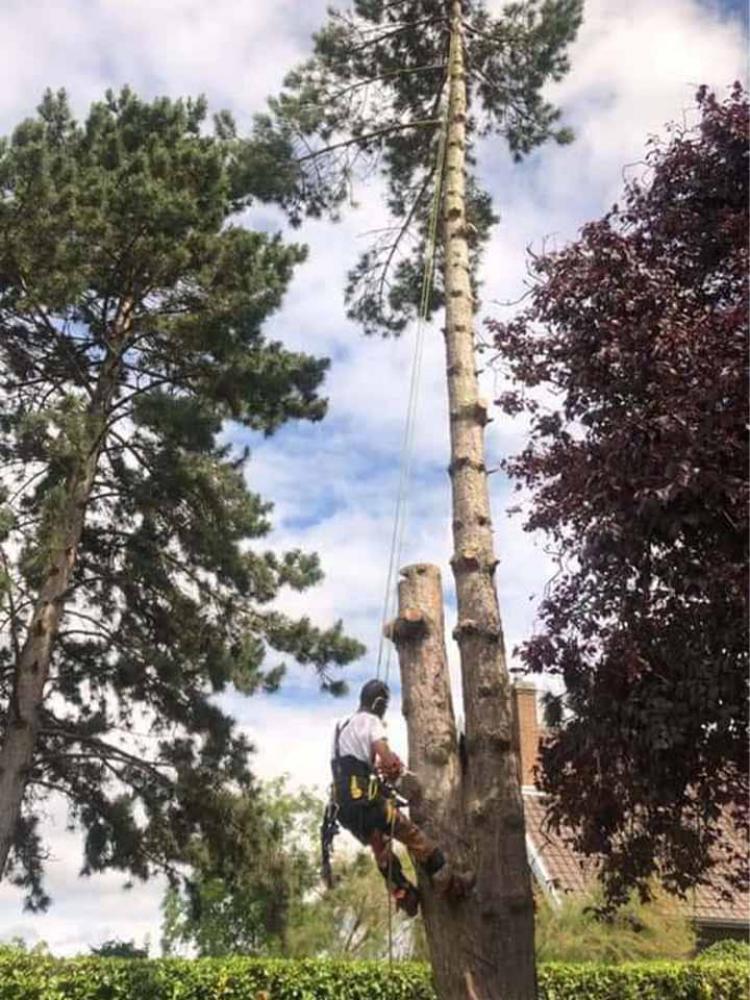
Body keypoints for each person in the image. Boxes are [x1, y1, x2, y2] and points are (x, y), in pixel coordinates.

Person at [330, 678, 473, 916]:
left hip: (343, 808)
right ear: (379, 703)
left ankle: (404, 893)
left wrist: (376, 772)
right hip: (365, 801)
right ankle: (448, 883)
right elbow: (385, 758)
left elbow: (352, 765)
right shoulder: (371, 722)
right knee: (411, 834)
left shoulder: (341, 726)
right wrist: (394, 767)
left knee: (380, 846)